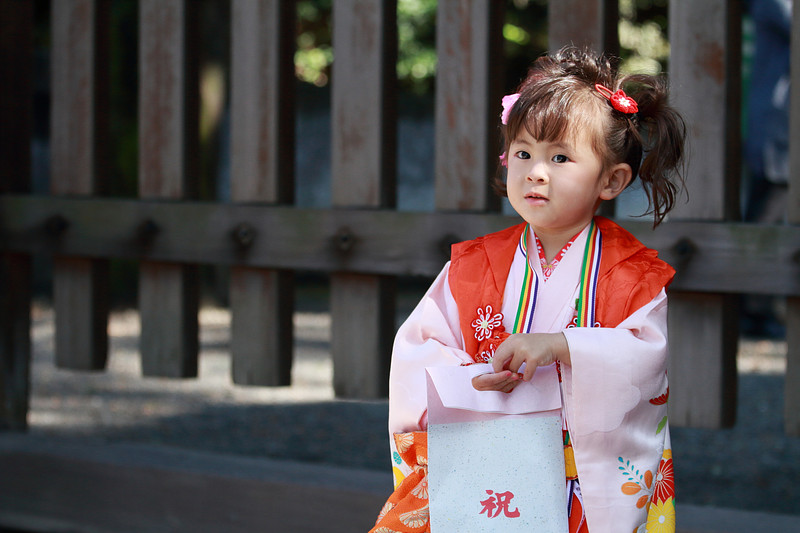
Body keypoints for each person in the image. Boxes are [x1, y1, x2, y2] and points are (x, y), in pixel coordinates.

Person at [370, 46, 686, 533]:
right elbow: (420, 348)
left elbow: (643, 357)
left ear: (611, 179)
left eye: (559, 157)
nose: (536, 171)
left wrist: (562, 346)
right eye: (523, 153)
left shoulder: (630, 274)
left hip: (580, 483)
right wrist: (471, 379)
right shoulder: (475, 264)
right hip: (491, 464)